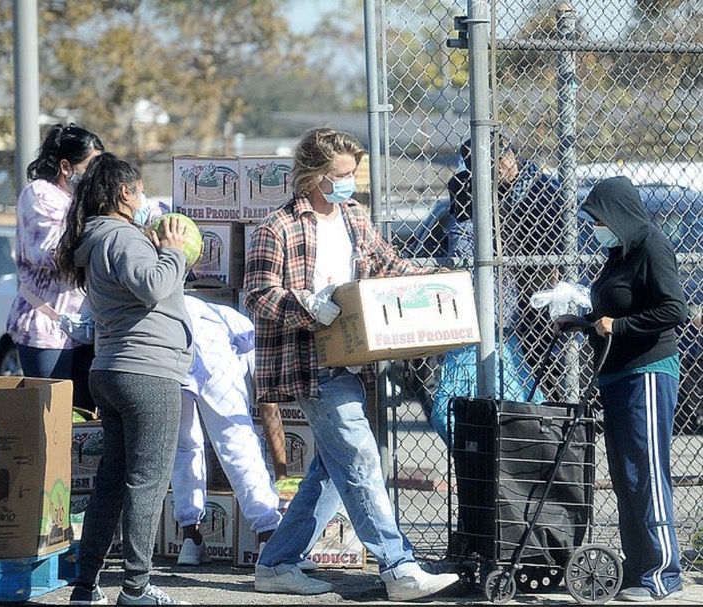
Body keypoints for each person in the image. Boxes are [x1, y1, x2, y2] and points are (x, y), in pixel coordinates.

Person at [244, 127, 459, 601]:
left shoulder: (353, 217)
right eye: (340, 175)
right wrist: (307, 305)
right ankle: (398, 566)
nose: (349, 183)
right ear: (313, 176)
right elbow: (257, 296)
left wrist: (440, 275)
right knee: (359, 457)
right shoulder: (276, 228)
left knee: (333, 470)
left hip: (352, 361)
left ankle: (276, 563)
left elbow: (387, 265)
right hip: (309, 363)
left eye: (351, 174)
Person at [56, 153, 192, 606]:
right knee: (147, 481)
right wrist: (172, 251)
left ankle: (85, 585)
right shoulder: (122, 237)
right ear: (123, 193)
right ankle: (136, 588)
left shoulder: (98, 237)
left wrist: (155, 250)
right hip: (147, 370)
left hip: (111, 369)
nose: (143, 197)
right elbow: (152, 286)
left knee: (112, 482)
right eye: (138, 189)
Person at [553, 176, 688, 603]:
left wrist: (620, 325)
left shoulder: (651, 244)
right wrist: (581, 323)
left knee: (647, 470)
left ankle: (663, 573)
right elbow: (611, 313)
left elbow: (674, 309)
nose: (596, 226)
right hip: (615, 373)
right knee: (627, 475)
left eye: (599, 218)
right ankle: (637, 566)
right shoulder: (617, 253)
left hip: (647, 370)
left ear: (618, 213)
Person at [170, 294, 316, 571]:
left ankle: (190, 538)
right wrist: (281, 475)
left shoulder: (216, 312)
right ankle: (268, 535)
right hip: (209, 344)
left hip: (169, 340)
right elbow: (268, 409)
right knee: (236, 439)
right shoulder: (247, 332)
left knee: (184, 443)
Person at [447, 132, 565, 401]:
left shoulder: (541, 189)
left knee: (543, 367)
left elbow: (549, 243)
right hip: (508, 294)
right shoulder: (483, 191)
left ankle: (549, 417)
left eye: (487, 169)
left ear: (502, 161)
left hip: (538, 287)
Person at [7, 123, 104, 412]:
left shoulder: (82, 202)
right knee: (52, 417)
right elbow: (52, 254)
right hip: (46, 327)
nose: (95, 176)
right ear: (66, 167)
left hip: (84, 327)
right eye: (90, 166)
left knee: (85, 419)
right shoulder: (40, 194)